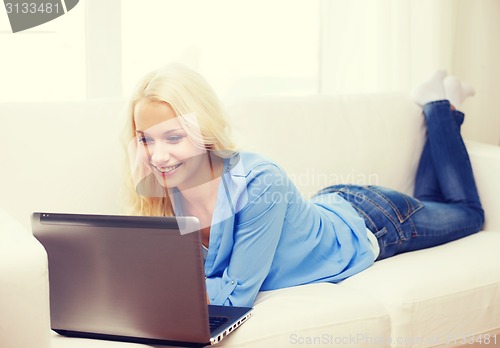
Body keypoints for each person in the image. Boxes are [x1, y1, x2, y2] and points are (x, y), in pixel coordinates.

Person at [122, 64, 484, 308]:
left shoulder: (259, 182)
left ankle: (438, 106)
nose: (158, 156)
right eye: (145, 140)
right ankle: (443, 98)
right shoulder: (168, 191)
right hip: (329, 204)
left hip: (374, 221)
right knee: (429, 201)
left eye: (173, 137)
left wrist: (148, 290)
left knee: (468, 214)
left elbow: (234, 297)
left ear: (204, 131)